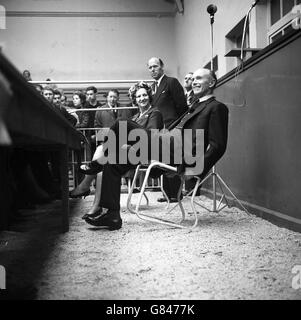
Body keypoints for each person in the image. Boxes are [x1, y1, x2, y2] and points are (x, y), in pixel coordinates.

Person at [83, 68, 228, 230]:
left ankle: (97, 163)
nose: (194, 81)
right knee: (114, 160)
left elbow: (218, 146)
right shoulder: (194, 105)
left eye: (199, 78)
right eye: (193, 78)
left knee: (121, 124)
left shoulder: (217, 107)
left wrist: (195, 171)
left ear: (212, 82)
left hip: (179, 153)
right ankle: (113, 215)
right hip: (164, 144)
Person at [147, 57, 188, 203]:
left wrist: (177, 126)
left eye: (155, 66)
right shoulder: (152, 87)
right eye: (150, 67)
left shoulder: (171, 82)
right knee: (163, 160)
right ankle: (166, 193)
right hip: (159, 129)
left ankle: (176, 194)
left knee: (172, 159)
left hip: (172, 127)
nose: (153, 69)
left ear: (162, 67)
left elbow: (182, 107)